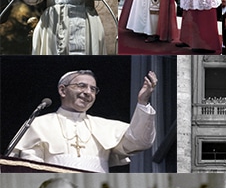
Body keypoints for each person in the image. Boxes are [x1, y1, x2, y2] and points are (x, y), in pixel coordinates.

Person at [12, 69, 157, 172]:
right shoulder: (39, 124)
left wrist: (142, 102)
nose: (88, 92)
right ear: (63, 90)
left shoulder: (105, 126)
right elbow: (30, 166)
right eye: (82, 86)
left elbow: (140, 141)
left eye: (93, 89)